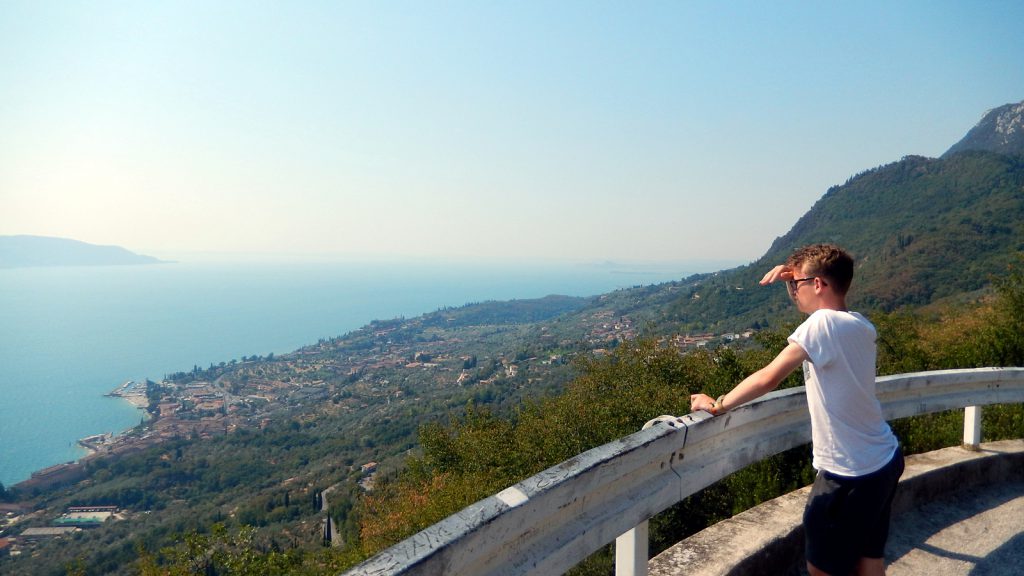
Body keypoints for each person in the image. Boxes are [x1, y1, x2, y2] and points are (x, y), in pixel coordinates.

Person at [690, 244, 903, 576]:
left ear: (818, 284)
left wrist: (718, 405)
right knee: (868, 558)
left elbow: (768, 376)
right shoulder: (859, 324)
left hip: (849, 473)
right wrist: (797, 274)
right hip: (884, 460)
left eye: (796, 285)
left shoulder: (822, 324)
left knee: (822, 568)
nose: (792, 293)